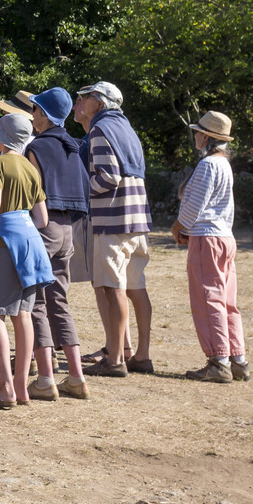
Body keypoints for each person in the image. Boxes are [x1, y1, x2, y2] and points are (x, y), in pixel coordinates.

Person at [0, 112, 52, 409]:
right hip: (32, 244)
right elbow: (42, 219)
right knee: (23, 315)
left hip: (7, 244)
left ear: (3, 136)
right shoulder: (31, 168)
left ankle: (4, 388)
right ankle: (20, 387)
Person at [73, 81, 155, 378]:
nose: (80, 101)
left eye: (87, 97)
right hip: (137, 220)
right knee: (136, 288)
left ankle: (116, 359)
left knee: (112, 287)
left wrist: (78, 191)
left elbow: (107, 177)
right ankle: (141, 356)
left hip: (112, 220)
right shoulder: (126, 128)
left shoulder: (100, 129)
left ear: (102, 103)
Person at [23, 87, 90, 400]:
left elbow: (31, 192)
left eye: (35, 110)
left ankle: (46, 378)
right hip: (68, 230)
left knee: (36, 301)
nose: (32, 116)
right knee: (59, 301)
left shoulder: (37, 147)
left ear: (45, 115)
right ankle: (76, 377)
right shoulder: (74, 146)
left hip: (44, 225)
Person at [173, 111, 249, 384]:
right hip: (224, 237)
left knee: (208, 300)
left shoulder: (208, 166)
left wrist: (178, 228)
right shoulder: (224, 164)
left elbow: (195, 205)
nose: (195, 135)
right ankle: (237, 359)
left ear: (207, 137)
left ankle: (218, 361)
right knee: (227, 301)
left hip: (208, 238)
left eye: (198, 131)